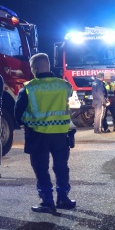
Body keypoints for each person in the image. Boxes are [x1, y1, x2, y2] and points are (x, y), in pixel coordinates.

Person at [14, 53, 75, 213]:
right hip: (61, 135)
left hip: (37, 135)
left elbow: (18, 114)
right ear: (48, 65)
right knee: (61, 167)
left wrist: (29, 121)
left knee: (41, 168)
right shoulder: (64, 85)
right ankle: (63, 198)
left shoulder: (29, 88)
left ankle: (47, 201)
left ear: (34, 68)